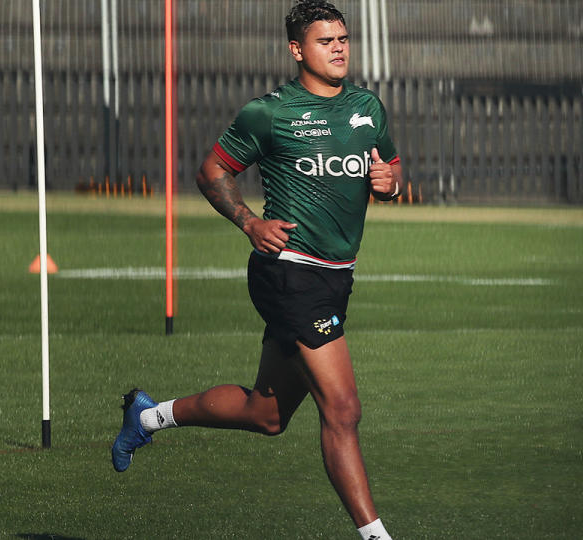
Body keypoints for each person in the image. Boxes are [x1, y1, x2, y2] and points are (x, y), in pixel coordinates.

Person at [111, 2, 400, 539]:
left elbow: (390, 165)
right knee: (343, 409)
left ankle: (149, 417)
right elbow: (212, 170)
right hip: (288, 272)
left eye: (343, 38)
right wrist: (248, 221)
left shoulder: (368, 107)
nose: (339, 47)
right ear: (296, 50)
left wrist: (390, 182)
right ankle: (376, 537)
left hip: (336, 277)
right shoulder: (270, 112)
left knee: (266, 415)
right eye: (325, 40)